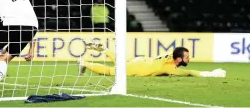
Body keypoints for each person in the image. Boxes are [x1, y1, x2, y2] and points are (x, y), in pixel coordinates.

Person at [78, 43, 226, 77]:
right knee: (111, 71)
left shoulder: (170, 55)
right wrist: (211, 73)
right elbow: (189, 73)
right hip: (138, 68)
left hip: (141, 61)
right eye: (187, 57)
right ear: (179, 59)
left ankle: (104, 50)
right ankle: (84, 63)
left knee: (120, 62)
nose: (189, 58)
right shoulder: (169, 68)